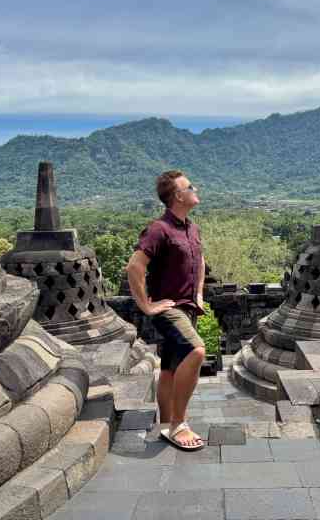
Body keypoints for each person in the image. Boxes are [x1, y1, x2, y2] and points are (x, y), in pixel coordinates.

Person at [125, 170, 206, 450]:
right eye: (190, 186)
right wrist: (146, 305)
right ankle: (178, 424)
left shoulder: (191, 228)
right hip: (168, 308)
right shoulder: (159, 229)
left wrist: (199, 292)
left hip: (188, 307)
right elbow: (135, 266)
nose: (196, 189)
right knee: (196, 351)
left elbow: (200, 260)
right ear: (178, 196)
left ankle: (165, 424)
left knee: (171, 368)